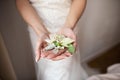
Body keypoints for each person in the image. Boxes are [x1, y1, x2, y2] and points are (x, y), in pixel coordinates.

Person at [16, 0, 88, 80]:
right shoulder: (41, 35)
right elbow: (22, 2)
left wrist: (68, 26)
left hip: (67, 24)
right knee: (44, 64)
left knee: (62, 71)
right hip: (38, 29)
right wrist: (41, 32)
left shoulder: (68, 31)